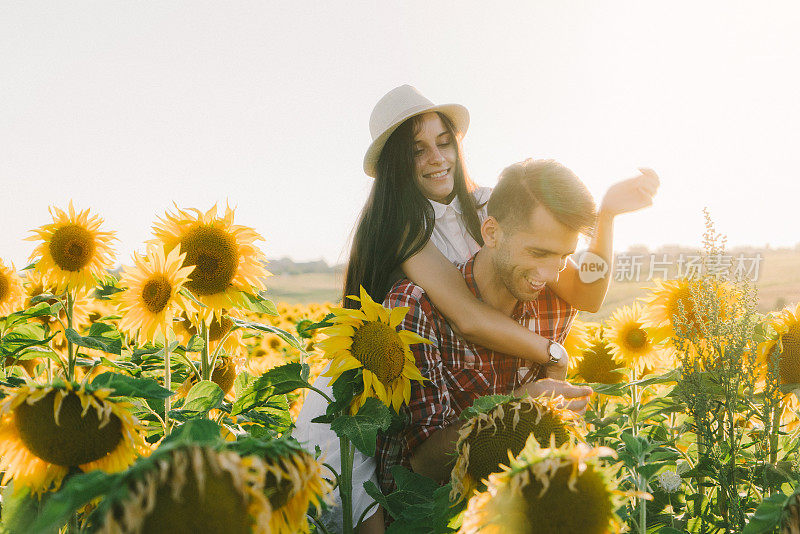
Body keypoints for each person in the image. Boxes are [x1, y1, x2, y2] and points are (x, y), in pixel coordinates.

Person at [293, 85, 658, 533]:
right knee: (369, 515)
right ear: (394, 165)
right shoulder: (401, 226)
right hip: (371, 384)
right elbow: (467, 315)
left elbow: (587, 293)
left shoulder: (492, 204)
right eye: (417, 151)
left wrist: (606, 217)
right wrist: (552, 354)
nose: (436, 158)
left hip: (439, 387)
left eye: (444, 143)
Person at [376, 158, 597, 493]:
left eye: (564, 256)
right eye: (538, 253)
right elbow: (421, 466)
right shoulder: (416, 307)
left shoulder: (556, 305)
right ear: (491, 233)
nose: (551, 275)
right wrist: (518, 407)